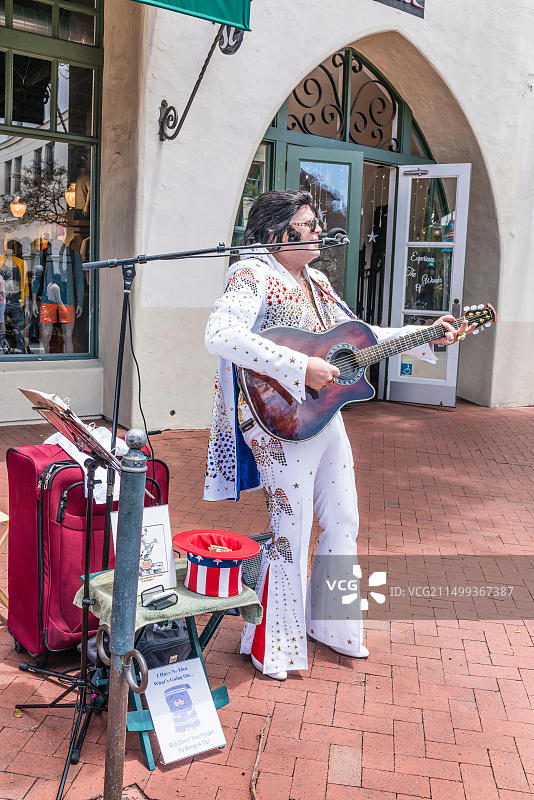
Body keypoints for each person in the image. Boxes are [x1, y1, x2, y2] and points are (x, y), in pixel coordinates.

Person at [204, 190, 473, 680]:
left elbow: (358, 334)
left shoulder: (319, 281)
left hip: (324, 414)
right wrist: (300, 365)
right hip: (280, 422)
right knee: (291, 529)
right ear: (277, 234)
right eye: (308, 224)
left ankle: (331, 625)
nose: (318, 231)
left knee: (344, 518)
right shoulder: (251, 273)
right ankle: (275, 646)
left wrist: (424, 334)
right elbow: (220, 334)